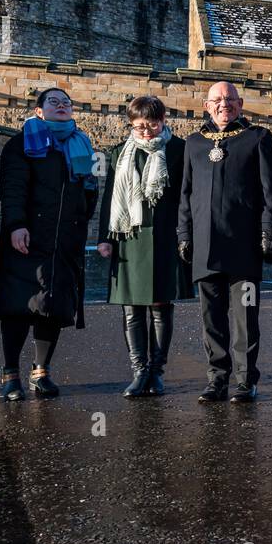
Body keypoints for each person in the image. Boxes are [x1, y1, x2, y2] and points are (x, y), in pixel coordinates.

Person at [0, 87, 99, 400]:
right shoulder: (22, 143)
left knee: (52, 304)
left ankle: (41, 371)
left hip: (65, 239)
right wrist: (16, 225)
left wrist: (80, 222)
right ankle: (10, 373)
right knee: (19, 304)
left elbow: (90, 190)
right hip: (28, 236)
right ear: (39, 111)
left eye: (66, 102)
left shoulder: (83, 146)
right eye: (53, 101)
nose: (62, 106)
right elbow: (12, 189)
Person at [177, 82, 272, 404]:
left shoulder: (258, 138)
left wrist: (268, 232)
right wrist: (184, 234)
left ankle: (245, 381)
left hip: (243, 247)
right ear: (207, 106)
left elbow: (270, 194)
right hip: (205, 248)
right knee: (212, 320)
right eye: (218, 100)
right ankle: (216, 379)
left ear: (241, 103)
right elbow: (185, 195)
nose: (224, 104)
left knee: (244, 317)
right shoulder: (193, 143)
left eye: (230, 99)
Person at [98, 95, 189, 398]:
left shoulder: (178, 150)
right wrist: (104, 238)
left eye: (152, 125)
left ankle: (157, 372)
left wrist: (186, 235)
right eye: (139, 127)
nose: (146, 132)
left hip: (165, 238)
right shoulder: (119, 154)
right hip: (128, 236)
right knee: (132, 310)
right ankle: (139, 372)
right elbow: (110, 196)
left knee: (161, 308)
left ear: (163, 121)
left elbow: (187, 198)